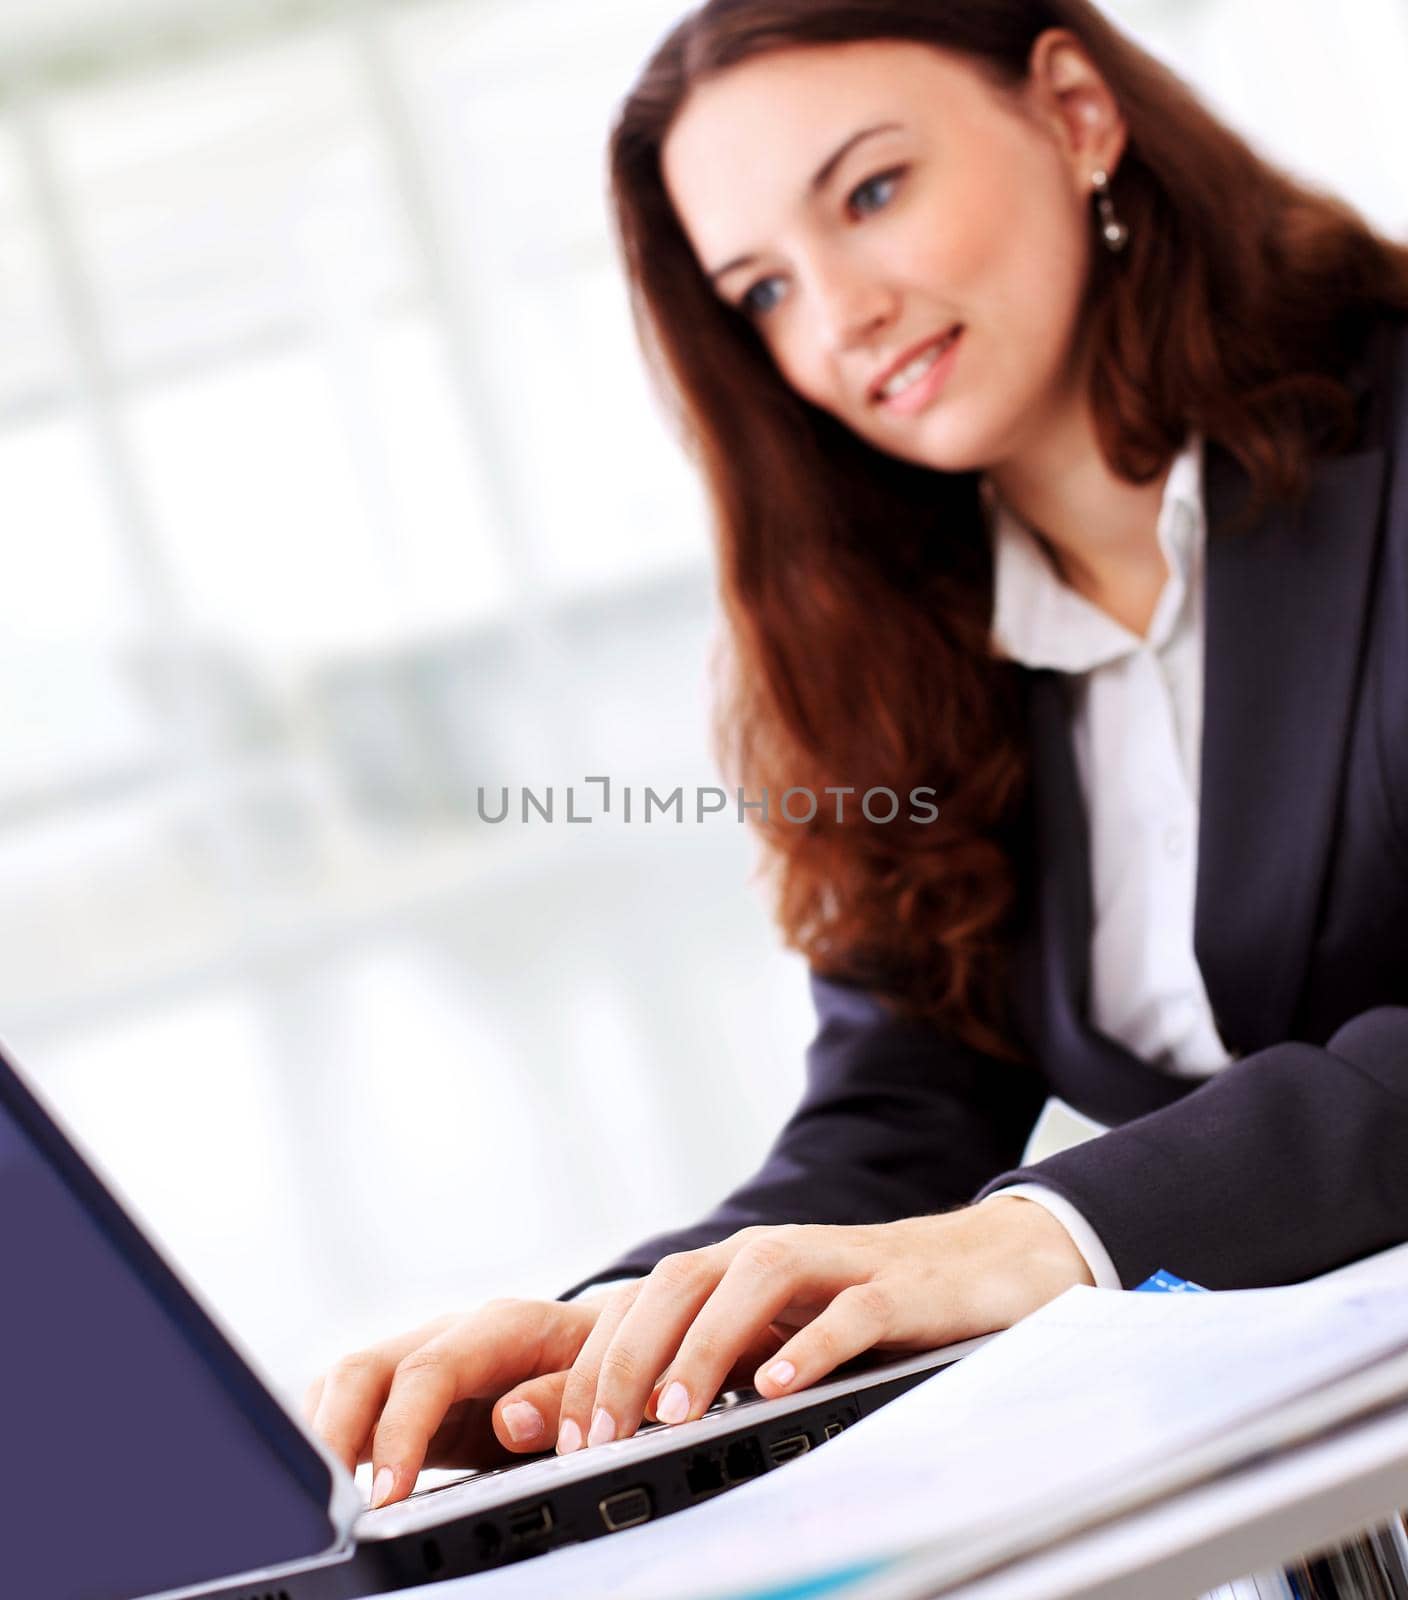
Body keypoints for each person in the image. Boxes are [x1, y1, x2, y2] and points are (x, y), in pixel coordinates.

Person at [303, 0, 1408, 1512]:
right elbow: (890, 1125)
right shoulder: (915, 650)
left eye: (873, 193)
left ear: (1076, 112)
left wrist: (1042, 1234)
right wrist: (609, 1334)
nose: (836, 316)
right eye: (760, 290)